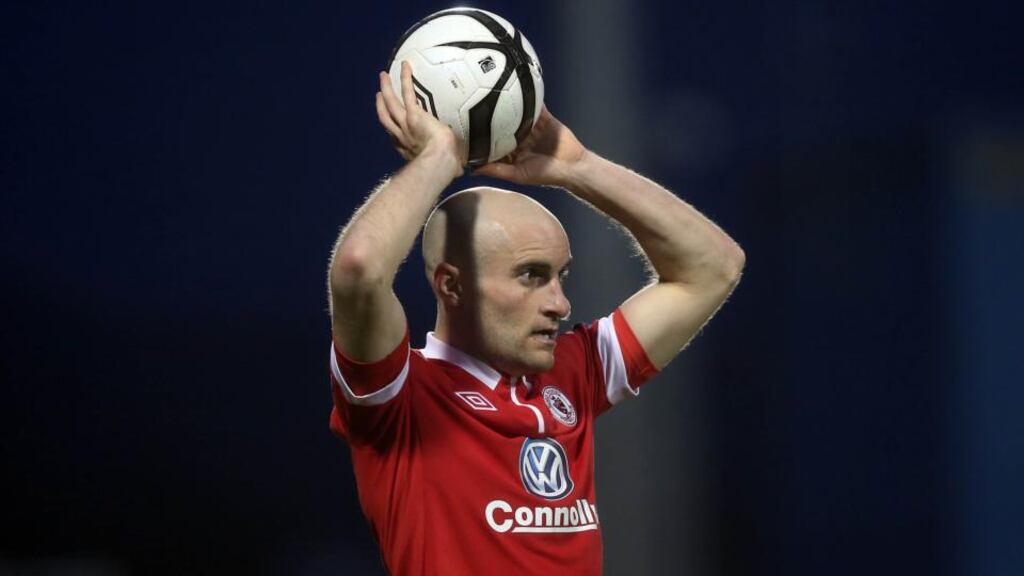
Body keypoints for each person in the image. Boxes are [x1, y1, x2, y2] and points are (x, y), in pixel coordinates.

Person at [326, 61, 745, 575]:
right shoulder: (400, 396)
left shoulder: (571, 375)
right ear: (451, 285)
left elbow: (714, 267)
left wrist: (579, 168)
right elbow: (359, 270)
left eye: (560, 276)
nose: (560, 304)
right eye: (531, 275)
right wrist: (438, 158)